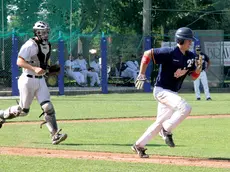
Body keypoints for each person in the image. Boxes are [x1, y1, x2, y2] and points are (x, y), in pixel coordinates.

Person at [132, 27, 202, 158]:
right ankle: (166, 130)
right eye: (188, 40)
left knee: (159, 122)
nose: (190, 43)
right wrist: (141, 74)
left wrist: (198, 68)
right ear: (181, 40)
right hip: (161, 90)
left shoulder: (191, 57)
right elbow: (147, 53)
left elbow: (194, 77)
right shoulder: (169, 52)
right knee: (185, 107)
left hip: (172, 93)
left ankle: (139, 145)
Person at [0, 21, 67, 145]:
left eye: (47, 32)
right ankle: (2, 115)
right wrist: (34, 68)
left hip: (40, 80)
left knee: (48, 107)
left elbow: (42, 64)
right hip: (27, 80)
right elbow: (19, 62)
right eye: (43, 32)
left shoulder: (47, 45)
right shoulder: (30, 45)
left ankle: (55, 135)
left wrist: (48, 69)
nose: (46, 34)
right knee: (23, 111)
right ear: (37, 32)